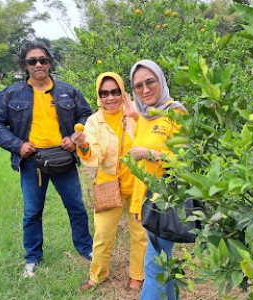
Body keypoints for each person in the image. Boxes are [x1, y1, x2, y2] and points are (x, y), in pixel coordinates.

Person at [0, 41, 93, 277]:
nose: (38, 64)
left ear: (49, 63)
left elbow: (88, 116)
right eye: (32, 61)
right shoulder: (10, 94)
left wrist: (73, 137)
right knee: (32, 212)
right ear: (25, 65)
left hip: (64, 158)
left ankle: (86, 249)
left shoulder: (69, 91)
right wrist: (18, 146)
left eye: (43, 60)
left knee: (77, 208)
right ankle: (32, 258)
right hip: (32, 162)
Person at [71, 72, 147, 293]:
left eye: (115, 91)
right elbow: (94, 156)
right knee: (102, 235)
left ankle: (136, 276)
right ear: (98, 96)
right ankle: (97, 275)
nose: (110, 97)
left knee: (140, 234)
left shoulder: (135, 113)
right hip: (108, 187)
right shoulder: (94, 122)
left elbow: (152, 137)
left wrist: (137, 116)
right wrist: (83, 145)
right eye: (104, 93)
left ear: (123, 92)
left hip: (138, 184)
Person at [127, 59, 188, 300]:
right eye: (138, 85)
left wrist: (151, 154)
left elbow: (187, 159)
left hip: (168, 201)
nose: (145, 90)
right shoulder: (145, 116)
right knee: (162, 264)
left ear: (161, 80)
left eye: (150, 81)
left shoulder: (176, 112)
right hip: (149, 202)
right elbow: (141, 171)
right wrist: (135, 204)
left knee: (152, 267)